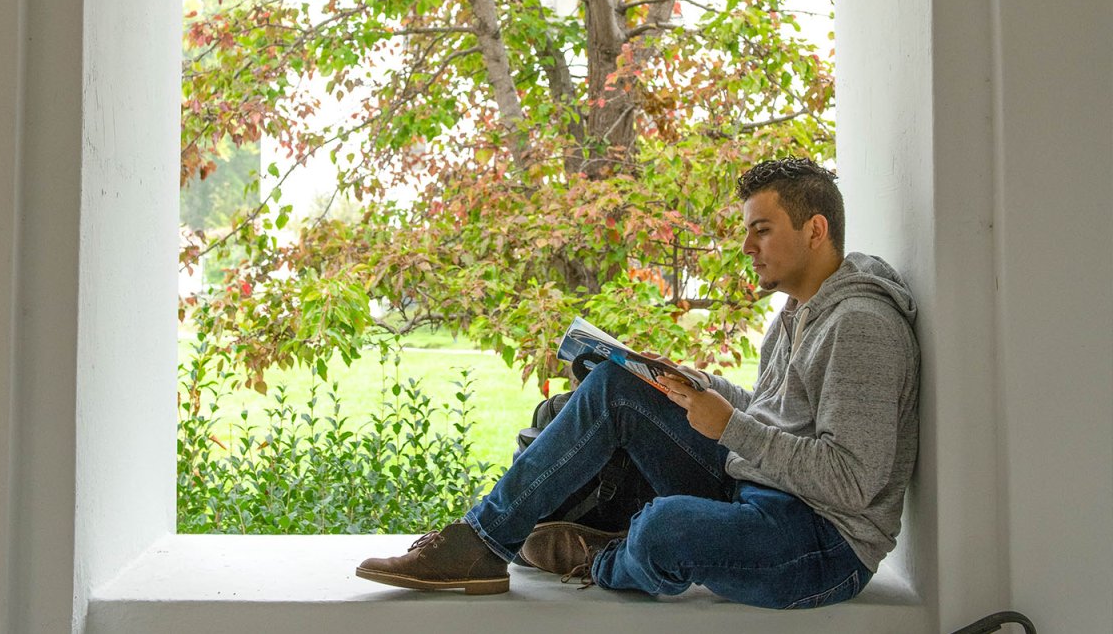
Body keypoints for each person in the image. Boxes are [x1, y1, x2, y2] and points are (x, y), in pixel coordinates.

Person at [356, 157, 920, 609]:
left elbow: (853, 482)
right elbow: (774, 411)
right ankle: (479, 542)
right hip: (760, 486)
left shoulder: (861, 326)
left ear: (815, 229)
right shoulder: (800, 311)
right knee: (615, 386)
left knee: (663, 531)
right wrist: (697, 385)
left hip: (820, 542)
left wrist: (732, 428)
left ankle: (603, 557)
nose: (747, 247)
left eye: (762, 230)